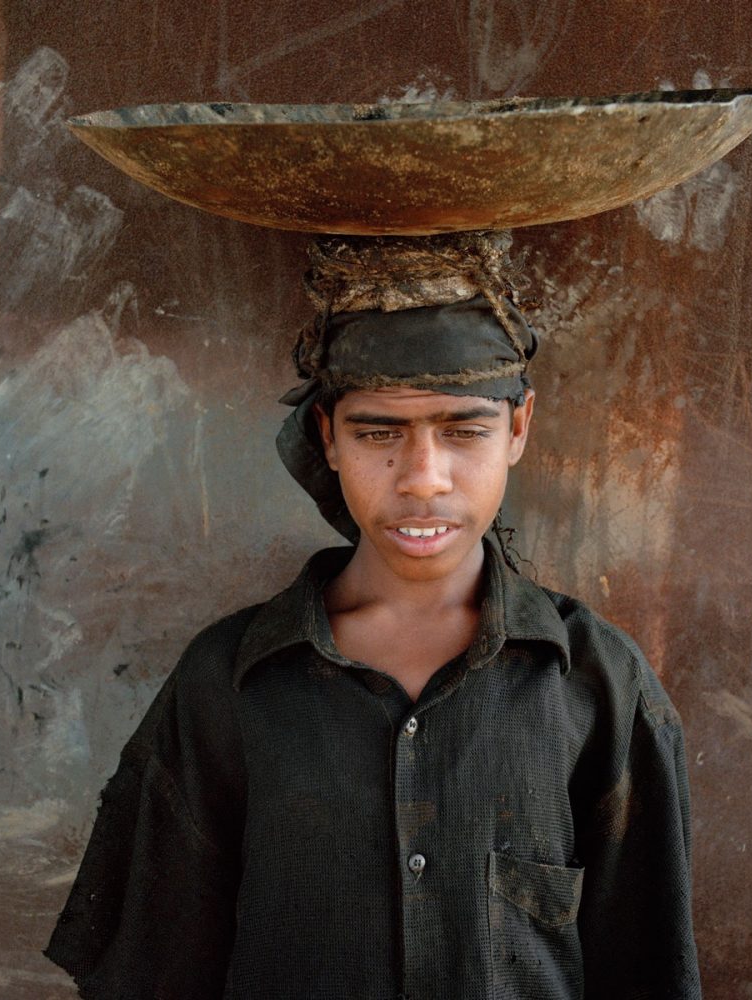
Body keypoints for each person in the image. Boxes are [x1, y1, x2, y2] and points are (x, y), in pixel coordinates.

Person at [45, 232, 701, 999]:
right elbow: (152, 975)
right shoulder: (228, 684)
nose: (423, 478)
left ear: (518, 428)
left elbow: (652, 971)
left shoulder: (599, 686)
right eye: (378, 432)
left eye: (464, 430)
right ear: (326, 433)